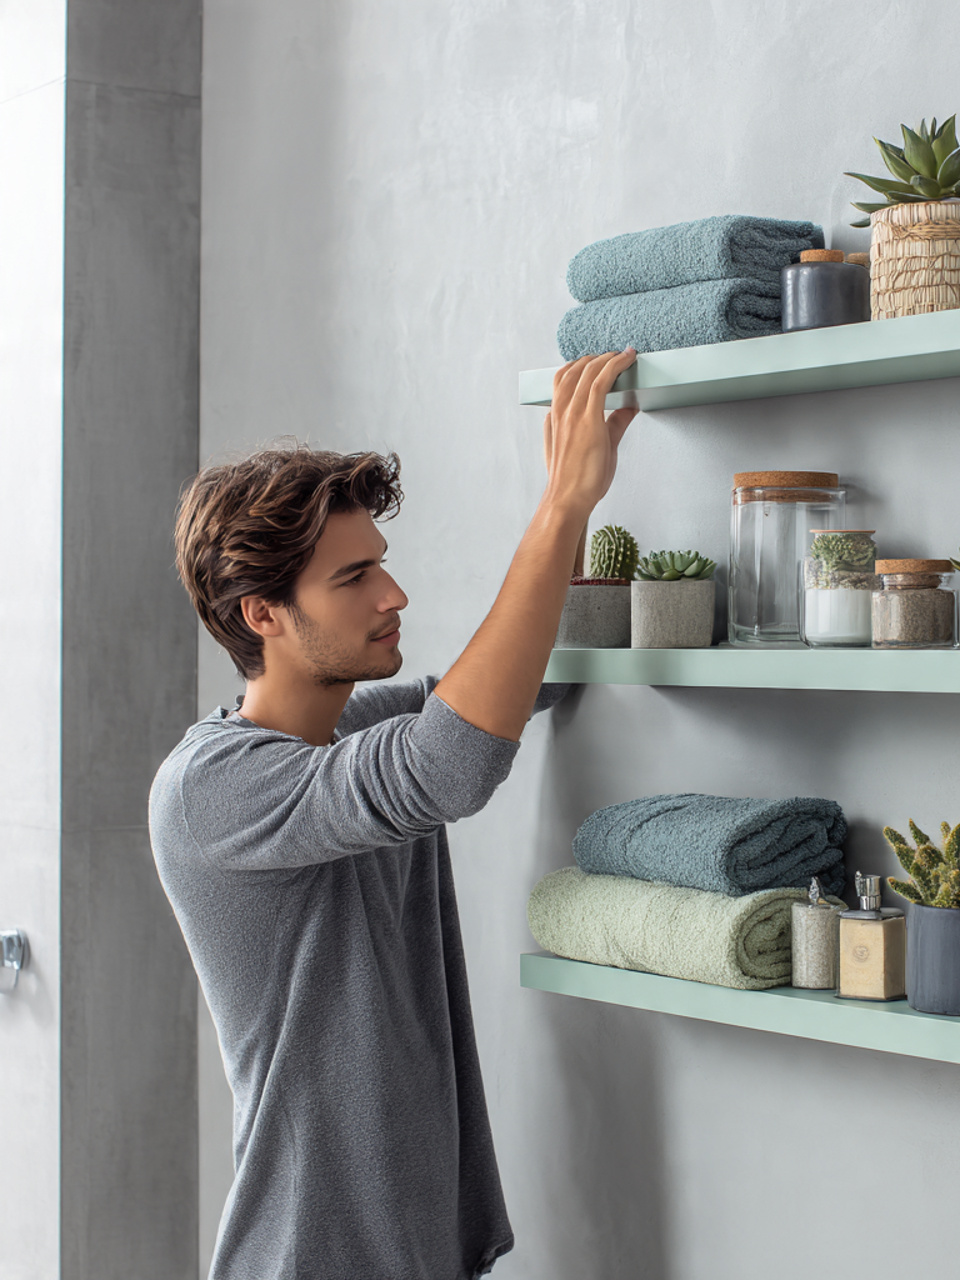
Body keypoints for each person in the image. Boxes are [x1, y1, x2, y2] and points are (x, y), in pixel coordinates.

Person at [149, 349, 638, 1280]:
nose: (394, 594)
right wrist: (561, 507)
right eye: (354, 578)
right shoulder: (211, 791)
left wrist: (576, 514)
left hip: (410, 1250)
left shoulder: (343, 729)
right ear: (263, 614)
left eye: (383, 564)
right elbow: (449, 765)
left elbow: (493, 693)